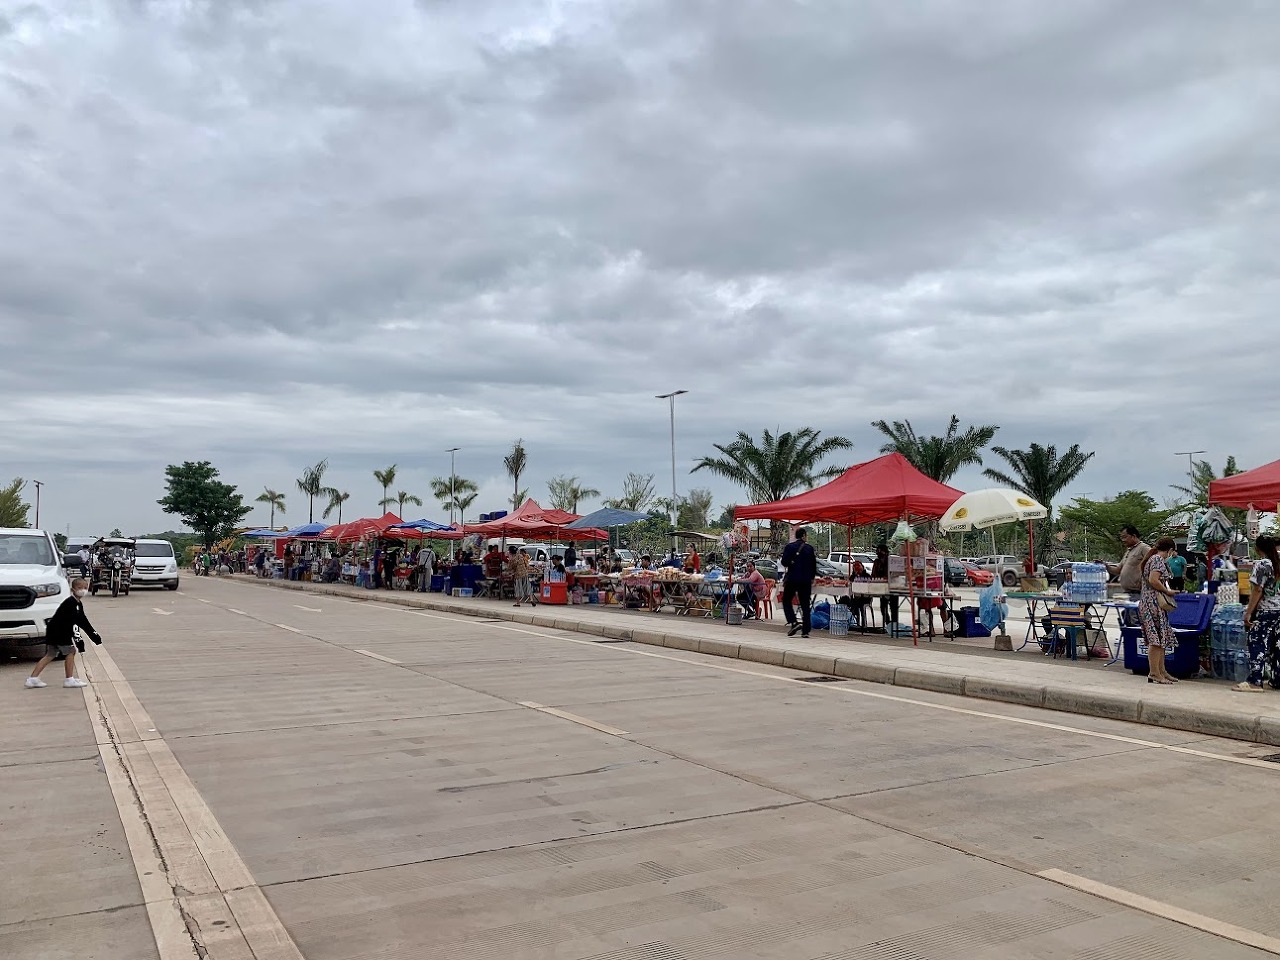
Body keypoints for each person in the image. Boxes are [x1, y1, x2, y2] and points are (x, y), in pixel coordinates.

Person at [25, 578, 102, 689]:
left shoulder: (77, 603)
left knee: (50, 654)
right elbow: (78, 620)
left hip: (54, 630)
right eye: (79, 588)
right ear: (73, 589)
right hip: (60, 631)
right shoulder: (71, 603)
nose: (83, 590)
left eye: (85, 588)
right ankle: (69, 679)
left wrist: (93, 635)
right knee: (71, 651)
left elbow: (83, 620)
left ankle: (32, 679)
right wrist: (89, 636)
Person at [1234, 535, 1280, 693]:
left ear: (1257, 548)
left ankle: (1255, 681)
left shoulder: (1262, 564)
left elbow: (1258, 590)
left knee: (1256, 642)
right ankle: (1277, 679)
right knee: (1277, 644)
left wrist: (1249, 612)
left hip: (1267, 610)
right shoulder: (1278, 560)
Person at [1138, 536, 1180, 684]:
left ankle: (1161, 671)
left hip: (1151, 603)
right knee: (1155, 640)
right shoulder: (1157, 559)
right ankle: (1154, 672)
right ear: (1170, 550)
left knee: (1161, 639)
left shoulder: (1153, 558)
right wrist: (1167, 591)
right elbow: (1153, 579)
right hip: (1152, 603)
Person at [780, 527, 818, 637]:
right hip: (805, 580)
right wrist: (812, 577)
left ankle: (793, 622)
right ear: (803, 536)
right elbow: (813, 565)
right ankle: (806, 630)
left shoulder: (789, 547)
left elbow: (784, 562)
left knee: (786, 600)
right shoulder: (809, 548)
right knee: (805, 604)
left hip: (792, 578)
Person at [871, 544, 899, 626]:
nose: (878, 553)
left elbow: (895, 574)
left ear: (885, 552)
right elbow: (873, 574)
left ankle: (894, 625)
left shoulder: (891, 561)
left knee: (894, 607)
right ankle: (888, 623)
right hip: (881, 587)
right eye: (877, 552)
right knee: (883, 607)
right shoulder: (877, 562)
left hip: (893, 587)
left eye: (880, 551)